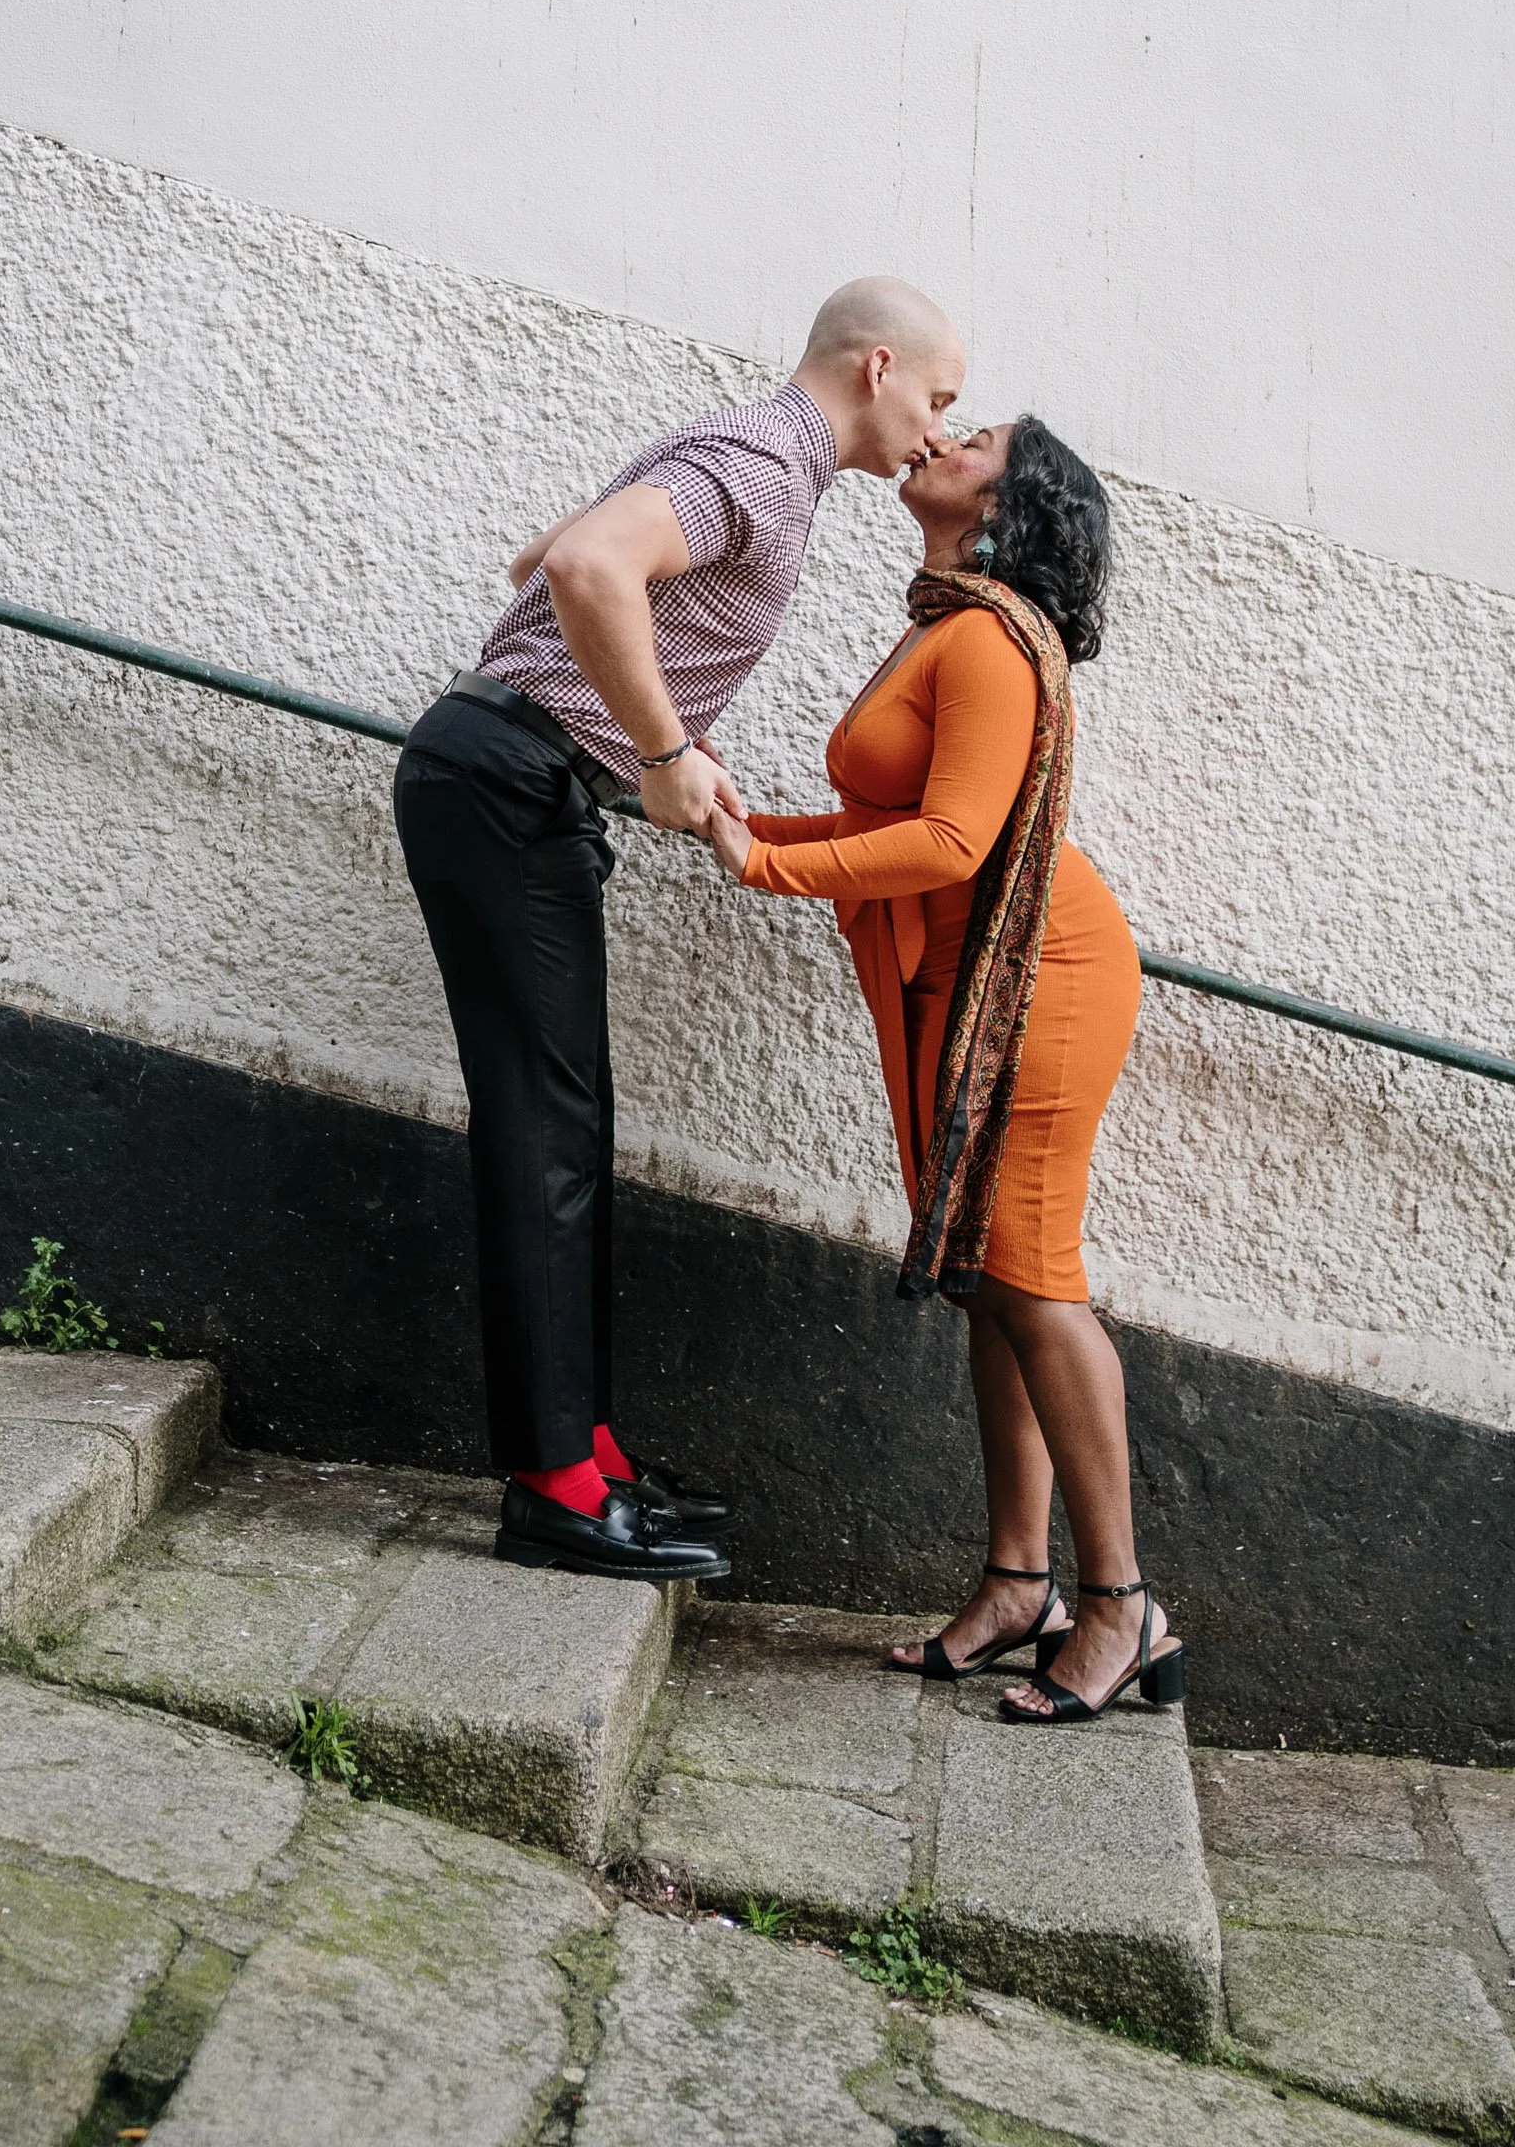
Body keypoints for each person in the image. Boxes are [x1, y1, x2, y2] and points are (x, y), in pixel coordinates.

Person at [394, 278, 968, 1583]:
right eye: (939, 398)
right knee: (548, 1131)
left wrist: (666, 742)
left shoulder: (746, 453)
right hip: (502, 779)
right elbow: (588, 567)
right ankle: (553, 1488)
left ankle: (584, 1457)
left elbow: (548, 556)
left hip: (517, 778)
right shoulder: (768, 460)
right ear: (879, 365)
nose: (939, 430)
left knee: (570, 1126)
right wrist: (656, 745)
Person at [705, 413, 1182, 1721]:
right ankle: (1018, 1580)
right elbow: (891, 818)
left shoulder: (984, 635)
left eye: (978, 436)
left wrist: (768, 862)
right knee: (992, 1282)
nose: (943, 432)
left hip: (1042, 985)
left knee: (1038, 1281)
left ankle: (1123, 1604)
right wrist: (757, 825)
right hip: (970, 982)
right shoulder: (950, 618)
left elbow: (954, 843)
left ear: (1007, 501)